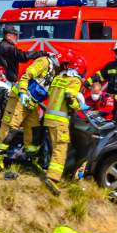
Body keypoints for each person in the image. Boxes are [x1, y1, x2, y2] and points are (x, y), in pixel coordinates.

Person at [0, 52, 62, 170]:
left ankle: (31, 159)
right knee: (10, 128)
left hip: (32, 103)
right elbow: (26, 76)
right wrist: (23, 93)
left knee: (34, 130)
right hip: (19, 99)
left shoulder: (56, 71)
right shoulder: (44, 62)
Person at [43, 51, 87, 183]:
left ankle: (49, 170)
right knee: (60, 148)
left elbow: (50, 93)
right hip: (60, 120)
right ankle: (53, 177)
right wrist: (78, 107)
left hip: (49, 118)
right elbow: (69, 96)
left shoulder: (58, 78)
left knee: (54, 146)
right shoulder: (75, 80)